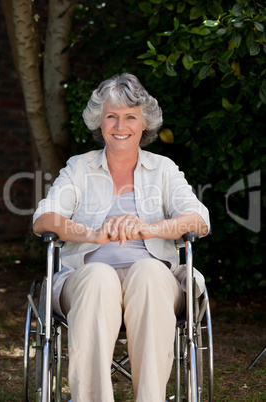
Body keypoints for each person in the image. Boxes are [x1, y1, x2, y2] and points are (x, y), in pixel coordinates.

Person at [33, 72, 210, 402]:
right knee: (100, 277)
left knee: (149, 272)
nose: (120, 126)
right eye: (111, 116)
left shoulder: (164, 169)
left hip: (153, 283)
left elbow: (199, 219)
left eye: (130, 117)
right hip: (85, 281)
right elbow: (44, 218)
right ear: (99, 123)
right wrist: (92, 234)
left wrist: (150, 228)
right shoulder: (79, 168)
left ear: (145, 125)